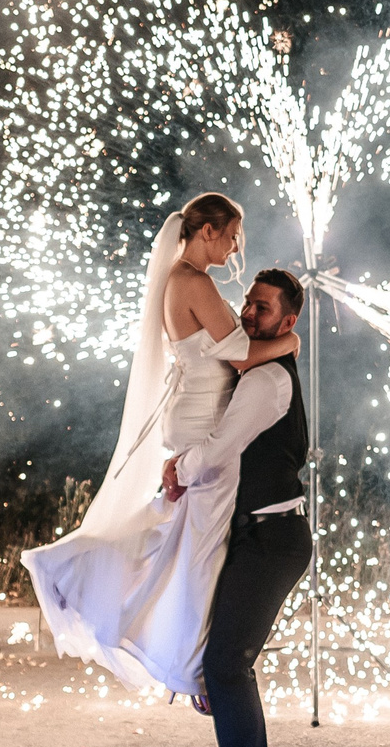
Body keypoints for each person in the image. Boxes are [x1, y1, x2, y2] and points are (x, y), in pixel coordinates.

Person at [22, 194, 297, 697]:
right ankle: (191, 668)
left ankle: (169, 646)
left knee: (176, 542)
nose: (236, 248)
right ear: (208, 231)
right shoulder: (193, 281)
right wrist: (289, 343)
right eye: (232, 235)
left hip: (193, 414)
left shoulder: (181, 279)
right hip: (202, 421)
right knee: (201, 556)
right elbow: (240, 356)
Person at [161, 268, 310, 747]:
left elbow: (221, 450)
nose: (248, 313)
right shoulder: (256, 368)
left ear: (287, 322)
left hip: (273, 540)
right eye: (248, 302)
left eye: (262, 308)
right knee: (223, 658)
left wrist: (179, 470)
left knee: (227, 662)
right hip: (252, 535)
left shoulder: (267, 380)